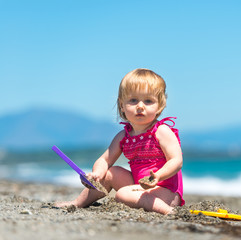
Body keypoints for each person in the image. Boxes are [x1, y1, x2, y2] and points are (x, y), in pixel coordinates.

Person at [55, 68, 184, 215]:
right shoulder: (124, 136)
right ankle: (78, 203)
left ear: (159, 105)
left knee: (122, 194)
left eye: (148, 101)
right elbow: (105, 160)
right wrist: (97, 174)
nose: (140, 106)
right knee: (110, 173)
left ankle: (169, 211)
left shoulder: (161, 131)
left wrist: (158, 176)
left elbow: (176, 160)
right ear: (122, 105)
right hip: (138, 187)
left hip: (165, 192)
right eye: (133, 100)